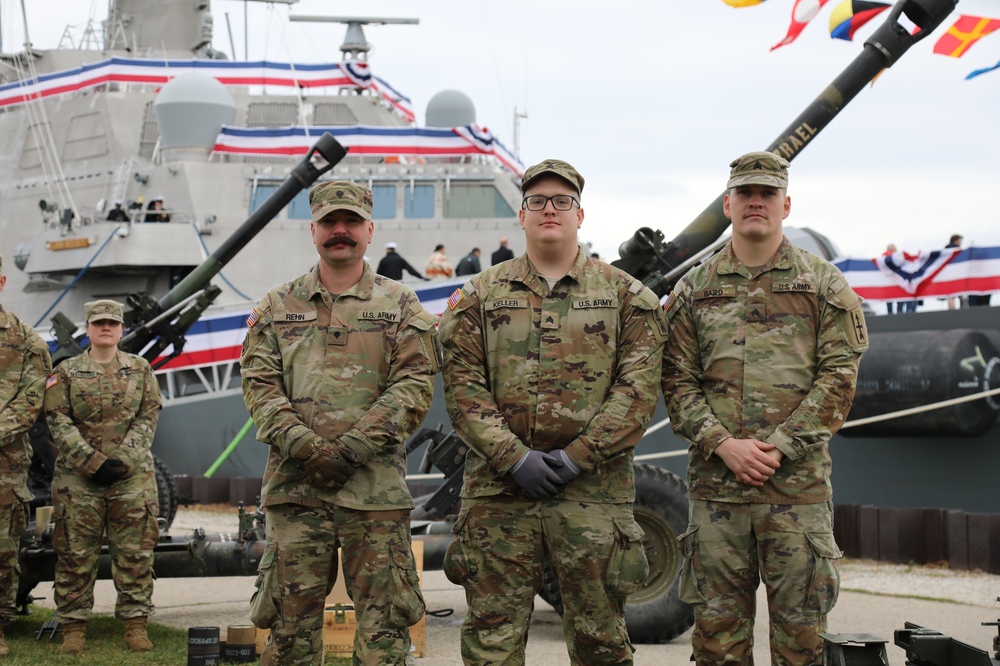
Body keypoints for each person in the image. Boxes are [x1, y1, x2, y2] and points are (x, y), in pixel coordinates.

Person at [438, 159, 668, 665]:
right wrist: (513, 458)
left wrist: (575, 458)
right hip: (499, 497)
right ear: (521, 216)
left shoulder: (627, 297)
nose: (549, 210)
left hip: (593, 495)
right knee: (491, 645)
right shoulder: (478, 298)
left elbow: (637, 392)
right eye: (537, 201)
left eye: (561, 201)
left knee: (600, 643)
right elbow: (463, 388)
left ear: (580, 215)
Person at [661, 151, 868, 666]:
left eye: (768, 194)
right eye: (747, 194)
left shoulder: (825, 286)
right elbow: (676, 381)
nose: (757, 202)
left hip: (796, 497)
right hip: (717, 497)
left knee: (802, 645)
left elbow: (839, 380)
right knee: (716, 644)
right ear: (728, 205)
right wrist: (723, 445)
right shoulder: (694, 289)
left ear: (786, 204)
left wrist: (778, 447)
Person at [241, 180, 437, 665]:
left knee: (384, 633)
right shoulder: (276, 307)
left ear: (370, 231)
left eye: (350, 222)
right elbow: (260, 388)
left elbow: (413, 387)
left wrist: (351, 449)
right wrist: (306, 447)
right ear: (313, 231)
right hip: (295, 491)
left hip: (374, 495)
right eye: (330, 222)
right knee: (289, 632)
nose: (340, 231)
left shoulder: (401, 305)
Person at [43, 299, 162, 655]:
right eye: (99, 323)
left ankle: (136, 625)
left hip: (132, 477)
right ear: (89, 329)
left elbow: (149, 415)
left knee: (136, 553)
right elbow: (57, 419)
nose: (105, 328)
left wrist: (124, 458)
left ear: (121, 329)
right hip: (78, 479)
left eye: (112, 323)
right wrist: (91, 461)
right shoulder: (65, 372)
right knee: (74, 554)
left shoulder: (140, 369)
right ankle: (74, 628)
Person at [0, 254, 52, 658]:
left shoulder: (27, 341)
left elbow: (31, 401)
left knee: (2, 550)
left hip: (5, 467)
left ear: (2, 282)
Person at [946, 234, 964, 310]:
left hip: (948, 275)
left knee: (950, 295)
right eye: (960, 240)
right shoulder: (958, 250)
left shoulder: (945, 250)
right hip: (957, 275)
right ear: (956, 240)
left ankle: (951, 311)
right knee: (961, 294)